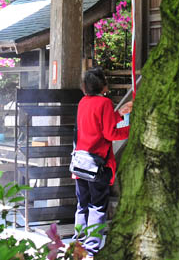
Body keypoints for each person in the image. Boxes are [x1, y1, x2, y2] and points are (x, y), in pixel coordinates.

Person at [71, 67, 133, 256]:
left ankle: (77, 246)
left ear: (85, 87)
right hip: (97, 164)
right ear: (103, 86)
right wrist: (131, 129)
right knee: (97, 207)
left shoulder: (83, 102)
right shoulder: (105, 103)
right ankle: (91, 248)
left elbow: (95, 123)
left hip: (80, 163)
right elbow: (110, 133)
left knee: (82, 205)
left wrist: (120, 114)